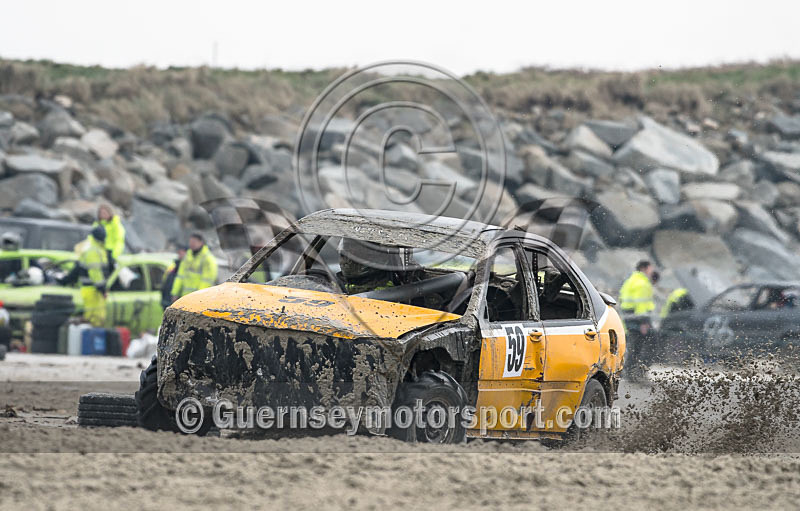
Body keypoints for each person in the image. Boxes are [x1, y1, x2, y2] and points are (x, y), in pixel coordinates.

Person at [619, 260, 657, 377]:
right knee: (644, 346)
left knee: (634, 347)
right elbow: (641, 306)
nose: (652, 271)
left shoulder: (631, 280)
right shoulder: (642, 283)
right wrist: (644, 323)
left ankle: (630, 372)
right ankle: (637, 372)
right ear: (644, 268)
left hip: (629, 318)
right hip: (639, 320)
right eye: (651, 268)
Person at [171, 233, 217, 300]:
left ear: (201, 242)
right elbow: (180, 276)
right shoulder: (187, 256)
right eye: (190, 242)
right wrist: (175, 293)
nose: (191, 244)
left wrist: (199, 296)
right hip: (185, 297)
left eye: (194, 242)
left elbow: (207, 281)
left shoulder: (207, 259)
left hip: (199, 298)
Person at [78, 226, 109, 327]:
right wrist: (102, 289)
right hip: (91, 289)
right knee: (92, 319)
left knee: (94, 318)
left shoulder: (95, 247)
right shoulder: (92, 250)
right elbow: (95, 272)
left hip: (92, 289)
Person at [93, 204, 125, 272]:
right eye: (101, 213)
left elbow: (119, 241)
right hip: (99, 253)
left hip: (110, 253)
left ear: (110, 213)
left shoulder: (115, 224)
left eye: (105, 213)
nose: (103, 215)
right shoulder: (97, 225)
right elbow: (92, 239)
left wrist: (114, 255)